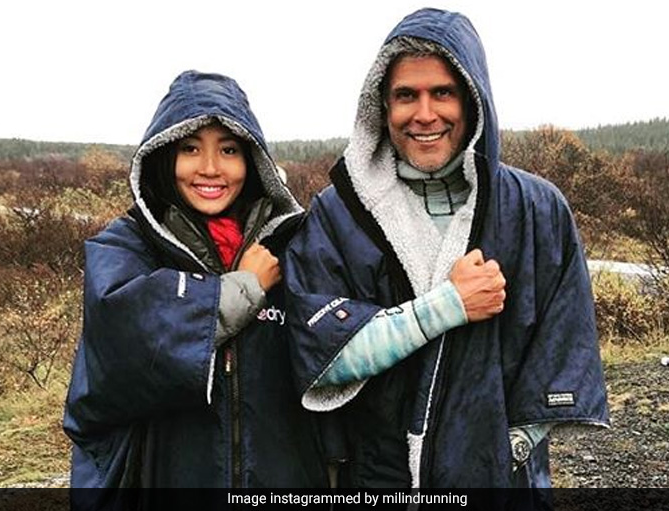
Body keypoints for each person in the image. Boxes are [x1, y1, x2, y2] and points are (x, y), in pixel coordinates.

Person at [284, 8, 609, 489]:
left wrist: (509, 450)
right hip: (377, 479)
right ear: (382, 106)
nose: (424, 114)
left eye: (443, 92)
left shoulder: (538, 210)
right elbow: (321, 352)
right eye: (405, 96)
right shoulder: (339, 214)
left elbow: (563, 346)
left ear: (473, 100)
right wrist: (445, 307)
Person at [63, 70, 327, 496]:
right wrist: (242, 289)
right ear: (165, 156)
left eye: (228, 150)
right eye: (190, 149)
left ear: (252, 160)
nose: (210, 169)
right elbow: (122, 350)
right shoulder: (125, 246)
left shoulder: (290, 244)